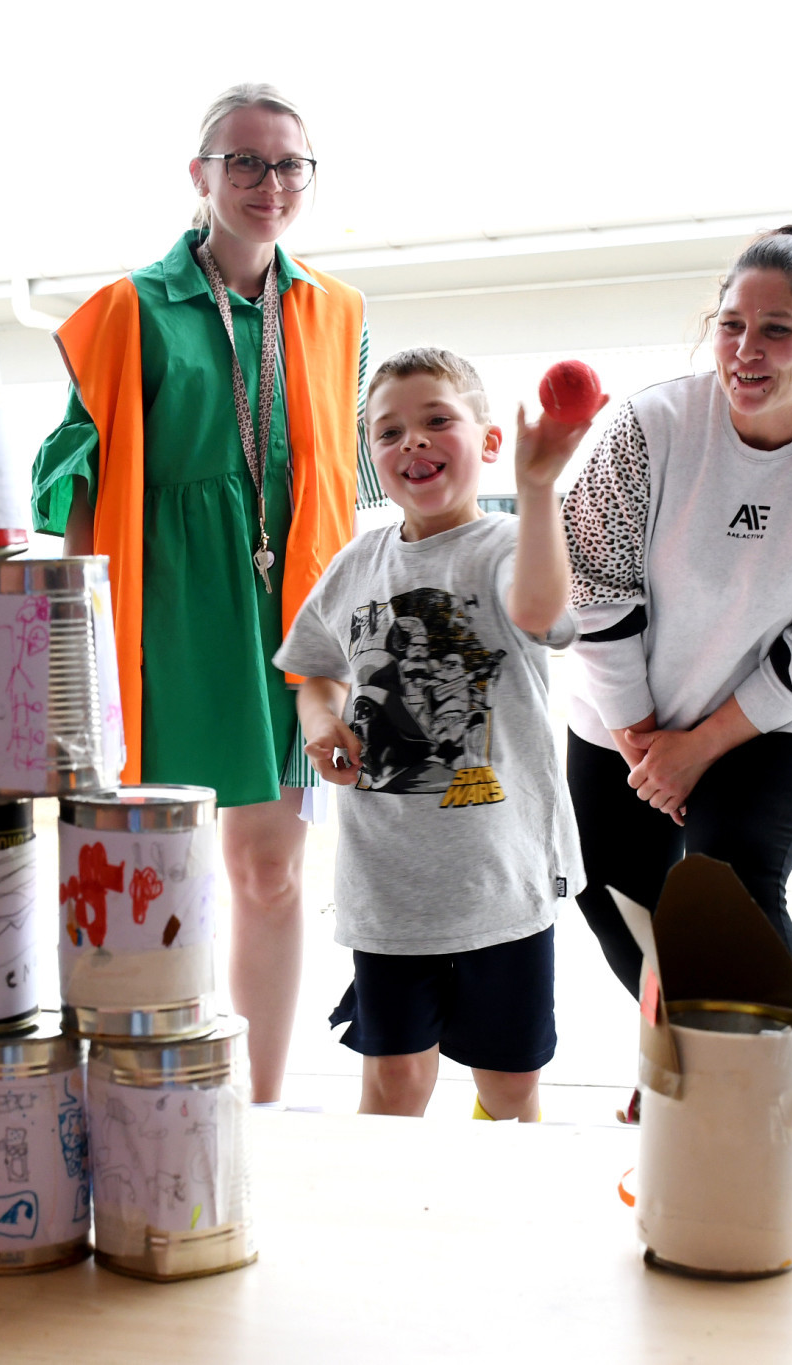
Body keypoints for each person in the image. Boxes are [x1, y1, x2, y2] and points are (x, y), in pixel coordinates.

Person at [29, 84, 380, 1103]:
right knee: (160, 880)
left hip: (290, 617)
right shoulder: (126, 310)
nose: (268, 183)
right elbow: (64, 467)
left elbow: (344, 469)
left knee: (271, 877)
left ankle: (259, 1108)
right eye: (244, 163)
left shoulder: (335, 311)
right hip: (168, 617)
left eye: (287, 165)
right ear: (200, 177)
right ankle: (151, 1093)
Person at [561, 224, 792, 1007]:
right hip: (627, 706)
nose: (745, 350)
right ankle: (687, 1055)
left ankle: (761, 1099)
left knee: (727, 884)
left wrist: (700, 748)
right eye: (732, 326)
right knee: (609, 891)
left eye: (777, 330)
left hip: (776, 718)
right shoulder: (650, 426)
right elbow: (592, 584)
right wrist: (642, 739)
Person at [275, 348, 597, 1122]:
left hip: (500, 878)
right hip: (387, 887)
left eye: (436, 421)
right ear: (374, 459)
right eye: (389, 432)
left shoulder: (508, 549)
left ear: (487, 442)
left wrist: (538, 485)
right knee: (392, 1087)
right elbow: (314, 669)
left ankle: (500, 1218)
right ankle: (391, 1227)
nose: (412, 442)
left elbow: (543, 611)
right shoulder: (358, 562)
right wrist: (322, 723)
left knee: (510, 1088)